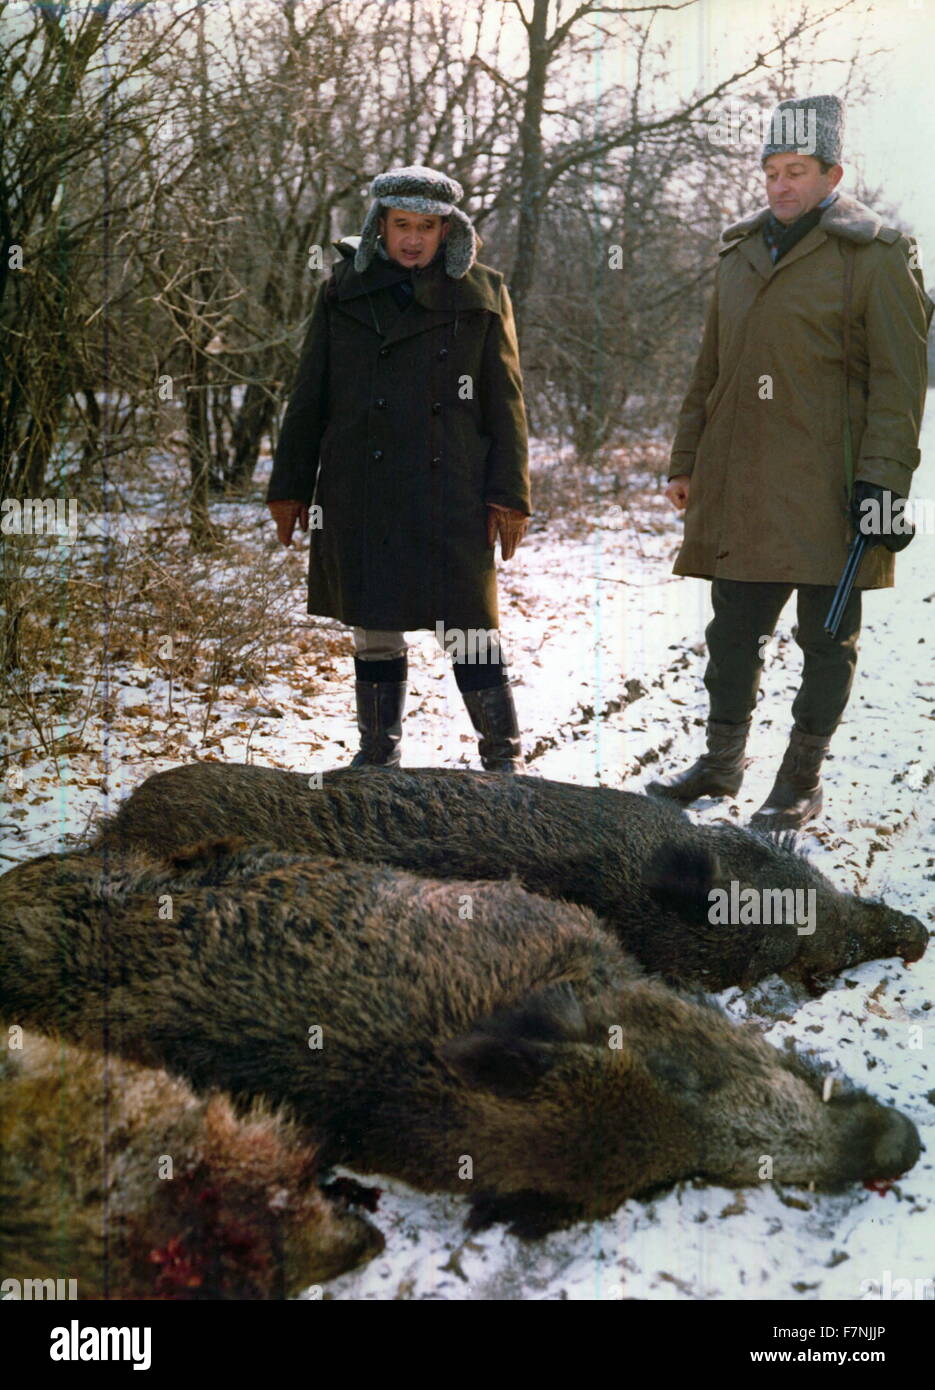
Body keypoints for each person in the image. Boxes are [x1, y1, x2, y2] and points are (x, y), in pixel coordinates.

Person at [649, 94, 932, 829]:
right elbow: (708, 368)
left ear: (832, 172)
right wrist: (685, 460)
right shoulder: (738, 252)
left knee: (824, 639)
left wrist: (881, 486)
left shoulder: (873, 255)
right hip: (739, 483)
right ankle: (719, 763)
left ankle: (800, 783)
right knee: (730, 633)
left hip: (830, 491)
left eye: (796, 170)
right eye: (771, 170)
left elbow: (900, 385)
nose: (780, 185)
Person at [266, 166, 531, 772]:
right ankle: (376, 756)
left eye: (428, 227)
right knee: (374, 623)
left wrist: (510, 495)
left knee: (468, 626)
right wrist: (289, 487)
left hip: (450, 490)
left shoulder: (482, 294)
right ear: (380, 226)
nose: (414, 239)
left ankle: (503, 760)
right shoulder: (341, 291)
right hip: (362, 484)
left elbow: (506, 401)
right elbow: (311, 394)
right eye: (402, 225)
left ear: (448, 231)